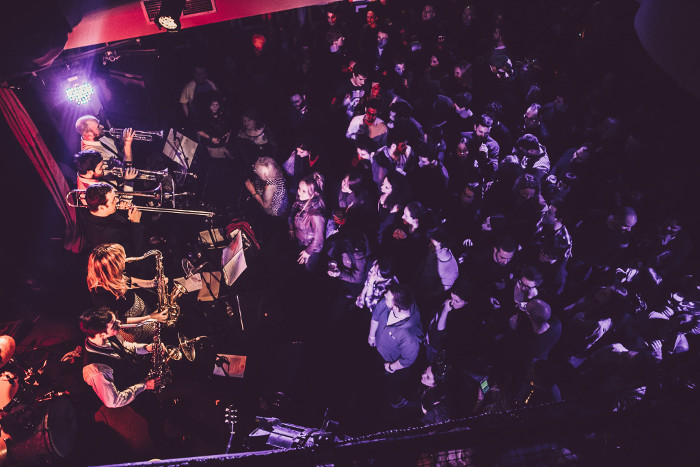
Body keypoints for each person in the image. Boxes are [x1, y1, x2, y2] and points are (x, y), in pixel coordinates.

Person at [80, 307, 159, 408]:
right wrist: (144, 385)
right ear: (102, 334)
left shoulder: (106, 336)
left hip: (140, 378)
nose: (119, 322)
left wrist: (146, 348)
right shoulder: (97, 370)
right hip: (133, 399)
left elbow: (124, 346)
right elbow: (114, 402)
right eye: (114, 324)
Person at [87, 243, 168, 343]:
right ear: (113, 268)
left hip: (143, 312)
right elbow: (119, 321)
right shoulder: (102, 297)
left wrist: (153, 283)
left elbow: (129, 280)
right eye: (121, 259)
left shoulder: (112, 276)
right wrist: (150, 318)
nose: (125, 259)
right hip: (136, 327)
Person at [368, 283, 424, 408]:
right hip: (378, 349)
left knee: (388, 386)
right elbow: (376, 314)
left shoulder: (410, 336)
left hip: (390, 361)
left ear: (396, 307)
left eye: (387, 298)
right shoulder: (391, 302)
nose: (384, 296)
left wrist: (391, 367)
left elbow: (407, 360)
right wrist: (371, 336)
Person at [82, 182, 145, 256]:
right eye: (113, 200)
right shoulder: (106, 236)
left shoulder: (97, 211)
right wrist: (136, 223)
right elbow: (135, 252)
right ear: (101, 208)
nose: (117, 200)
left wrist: (123, 212)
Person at [289, 173, 326, 271]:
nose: (299, 192)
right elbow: (293, 215)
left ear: (313, 194)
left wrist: (308, 252)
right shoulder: (301, 201)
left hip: (312, 248)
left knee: (308, 268)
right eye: (299, 189)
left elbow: (319, 239)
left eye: (304, 191)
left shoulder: (315, 214)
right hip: (301, 241)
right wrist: (291, 228)